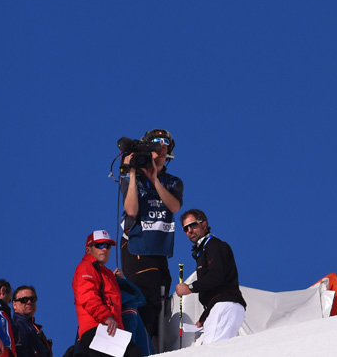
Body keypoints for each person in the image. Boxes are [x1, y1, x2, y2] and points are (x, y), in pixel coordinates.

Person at [120, 128, 184, 344]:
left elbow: (174, 206)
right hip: (137, 245)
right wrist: (131, 172)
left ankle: (152, 343)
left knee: (161, 298)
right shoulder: (133, 177)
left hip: (159, 248)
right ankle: (141, 344)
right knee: (146, 298)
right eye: (156, 142)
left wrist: (155, 179)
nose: (161, 146)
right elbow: (131, 210)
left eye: (165, 143)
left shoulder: (173, 181)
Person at [175, 209, 246, 344]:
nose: (189, 230)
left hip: (225, 305)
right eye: (185, 228)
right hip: (222, 307)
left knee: (210, 351)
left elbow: (216, 276)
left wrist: (189, 287)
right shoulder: (203, 250)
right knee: (213, 349)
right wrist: (205, 315)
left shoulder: (214, 245)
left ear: (204, 225)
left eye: (193, 225)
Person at [72, 230, 141, 357]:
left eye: (107, 246)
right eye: (99, 245)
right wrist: (106, 317)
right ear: (88, 250)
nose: (104, 249)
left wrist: (117, 280)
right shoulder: (86, 267)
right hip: (97, 328)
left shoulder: (106, 273)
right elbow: (88, 296)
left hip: (110, 330)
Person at [12, 285, 53, 357]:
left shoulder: (32, 327)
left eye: (33, 299)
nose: (29, 302)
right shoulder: (17, 325)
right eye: (24, 300)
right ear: (14, 305)